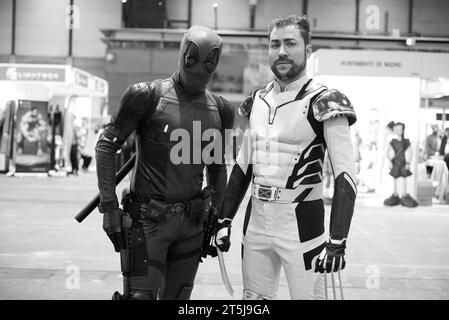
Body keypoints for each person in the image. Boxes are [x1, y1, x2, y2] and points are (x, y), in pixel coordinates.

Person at [213, 15, 357, 300]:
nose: (281, 51)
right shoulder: (256, 101)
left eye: (290, 43)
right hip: (257, 221)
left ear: (307, 49)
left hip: (302, 222)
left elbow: (346, 177)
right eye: (274, 44)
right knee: (253, 301)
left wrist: (337, 239)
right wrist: (224, 219)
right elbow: (243, 167)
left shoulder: (325, 101)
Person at [95, 25, 234, 300]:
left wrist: (217, 218)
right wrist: (109, 206)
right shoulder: (146, 96)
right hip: (148, 222)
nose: (199, 68)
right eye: (194, 58)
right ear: (184, 54)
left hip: (193, 224)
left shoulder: (221, 110)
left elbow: (217, 166)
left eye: (209, 61)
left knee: (180, 298)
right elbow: (106, 145)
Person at [383, 122, 418, 207]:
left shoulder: (406, 141)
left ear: (403, 130)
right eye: (396, 129)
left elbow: (411, 153)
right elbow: (387, 152)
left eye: (400, 129)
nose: (398, 131)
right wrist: (390, 162)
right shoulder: (393, 141)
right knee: (395, 179)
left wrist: (408, 162)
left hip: (403, 162)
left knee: (404, 178)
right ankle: (395, 194)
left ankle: (404, 194)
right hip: (395, 162)